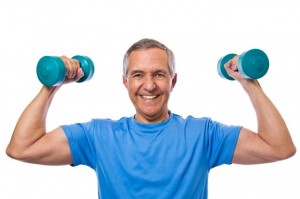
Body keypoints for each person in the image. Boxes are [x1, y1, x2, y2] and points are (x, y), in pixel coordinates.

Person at [6, 38, 296, 199]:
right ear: (125, 82)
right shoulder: (99, 136)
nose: (149, 85)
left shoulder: (203, 135)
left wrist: (248, 81)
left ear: (173, 81)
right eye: (138, 75)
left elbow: (279, 147)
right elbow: (23, 148)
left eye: (159, 74)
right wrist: (51, 86)